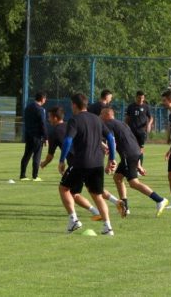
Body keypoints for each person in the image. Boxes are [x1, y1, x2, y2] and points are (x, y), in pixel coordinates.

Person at [40, 106, 115, 221]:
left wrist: (45, 163)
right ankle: (107, 215)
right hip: (94, 160)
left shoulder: (57, 131)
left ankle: (76, 219)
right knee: (95, 191)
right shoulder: (73, 124)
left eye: (49, 117)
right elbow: (91, 137)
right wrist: (105, 148)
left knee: (68, 190)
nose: (48, 119)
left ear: (55, 118)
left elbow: (54, 153)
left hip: (78, 163)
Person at [57, 94, 116, 235]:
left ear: (75, 105)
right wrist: (112, 158)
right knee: (97, 194)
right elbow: (110, 138)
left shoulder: (74, 120)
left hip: (80, 162)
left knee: (64, 188)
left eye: (72, 104)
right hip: (97, 163)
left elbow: (67, 141)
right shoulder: (96, 119)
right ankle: (108, 227)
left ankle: (74, 220)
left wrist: (61, 160)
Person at [100, 108, 169, 218]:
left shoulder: (108, 123)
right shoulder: (122, 124)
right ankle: (125, 207)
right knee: (117, 178)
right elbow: (132, 140)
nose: (99, 116)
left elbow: (112, 141)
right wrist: (138, 164)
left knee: (133, 183)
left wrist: (110, 162)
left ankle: (159, 200)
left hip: (128, 155)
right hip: (134, 153)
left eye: (101, 114)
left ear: (107, 115)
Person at [20, 92, 48, 181]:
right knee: (37, 155)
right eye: (45, 98)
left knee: (26, 155)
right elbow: (42, 124)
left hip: (28, 135)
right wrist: (46, 137)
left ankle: (22, 175)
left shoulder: (28, 107)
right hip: (37, 136)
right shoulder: (40, 109)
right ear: (42, 99)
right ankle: (35, 176)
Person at [125, 90, 153, 165]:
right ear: (136, 97)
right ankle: (132, 165)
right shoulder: (131, 106)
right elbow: (127, 118)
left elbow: (151, 118)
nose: (141, 99)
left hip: (141, 132)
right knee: (132, 149)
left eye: (142, 98)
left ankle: (139, 167)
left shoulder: (146, 107)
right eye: (139, 98)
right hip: (132, 131)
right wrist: (125, 127)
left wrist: (149, 124)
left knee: (140, 149)